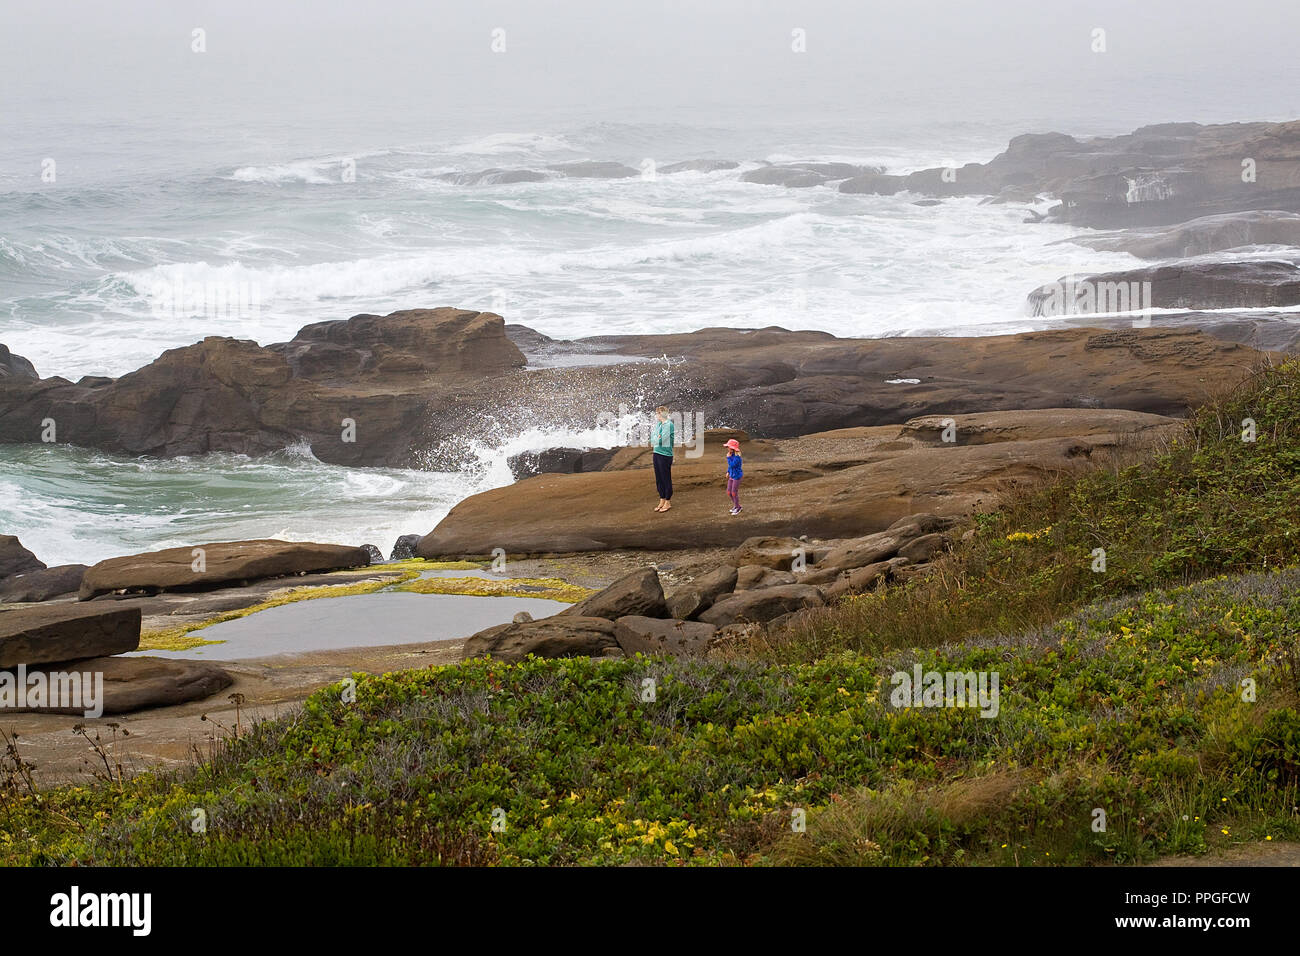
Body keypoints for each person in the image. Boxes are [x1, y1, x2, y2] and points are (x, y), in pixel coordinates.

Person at [652, 405, 674, 512]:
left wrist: (658, 438)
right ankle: (662, 499)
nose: (656, 415)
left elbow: (662, 439)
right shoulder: (659, 425)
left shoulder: (668, 425)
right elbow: (653, 437)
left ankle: (668, 501)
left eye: (657, 413)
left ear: (662, 414)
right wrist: (657, 437)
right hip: (656, 452)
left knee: (665, 478)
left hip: (665, 454)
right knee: (659, 478)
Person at [724, 438, 743, 515]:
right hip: (732, 475)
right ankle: (737, 506)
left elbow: (732, 465)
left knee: (734, 493)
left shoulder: (737, 458)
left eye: (728, 447)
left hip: (737, 476)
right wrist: (728, 472)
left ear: (732, 448)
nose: (727, 448)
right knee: (729, 492)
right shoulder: (731, 455)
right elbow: (730, 466)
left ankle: (738, 508)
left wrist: (728, 458)